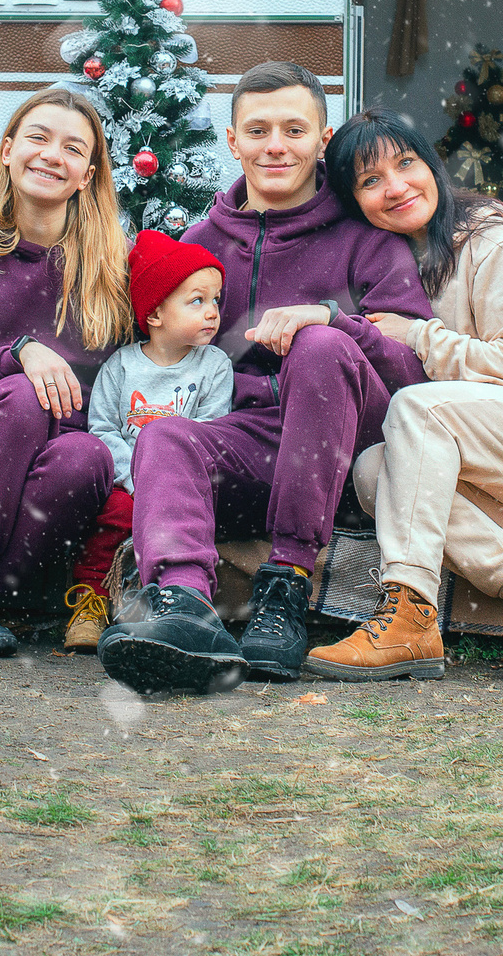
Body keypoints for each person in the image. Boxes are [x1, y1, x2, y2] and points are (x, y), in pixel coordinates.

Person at [97, 62, 433, 695]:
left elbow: (414, 371)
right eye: (258, 130)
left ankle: (286, 585)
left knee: (319, 346)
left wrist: (332, 320)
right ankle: (182, 610)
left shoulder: (367, 241)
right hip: (250, 445)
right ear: (233, 142)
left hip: (349, 452)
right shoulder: (201, 244)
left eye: (294, 130)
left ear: (323, 140)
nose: (275, 146)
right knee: (165, 436)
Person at [304, 109, 503, 682]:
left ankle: (408, 613)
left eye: (406, 163)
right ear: (354, 201)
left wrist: (419, 335)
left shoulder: (493, 241)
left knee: (417, 408)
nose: (396, 187)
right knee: (376, 471)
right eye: (371, 180)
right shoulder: (395, 262)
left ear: (431, 164)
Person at [0, 87, 134, 655]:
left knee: (88, 457)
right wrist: (21, 353)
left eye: (73, 149)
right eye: (38, 138)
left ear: (87, 175)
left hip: (54, 456)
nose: (52, 155)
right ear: (8, 150)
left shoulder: (107, 264)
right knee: (23, 395)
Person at [71, 231, 236, 650]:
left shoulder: (214, 366)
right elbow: (102, 429)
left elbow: (211, 430)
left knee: (180, 524)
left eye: (216, 300)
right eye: (197, 301)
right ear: (156, 313)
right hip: (128, 481)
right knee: (115, 514)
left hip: (184, 484)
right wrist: (137, 479)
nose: (212, 312)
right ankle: (90, 599)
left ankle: (169, 604)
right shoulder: (122, 366)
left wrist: (162, 483)